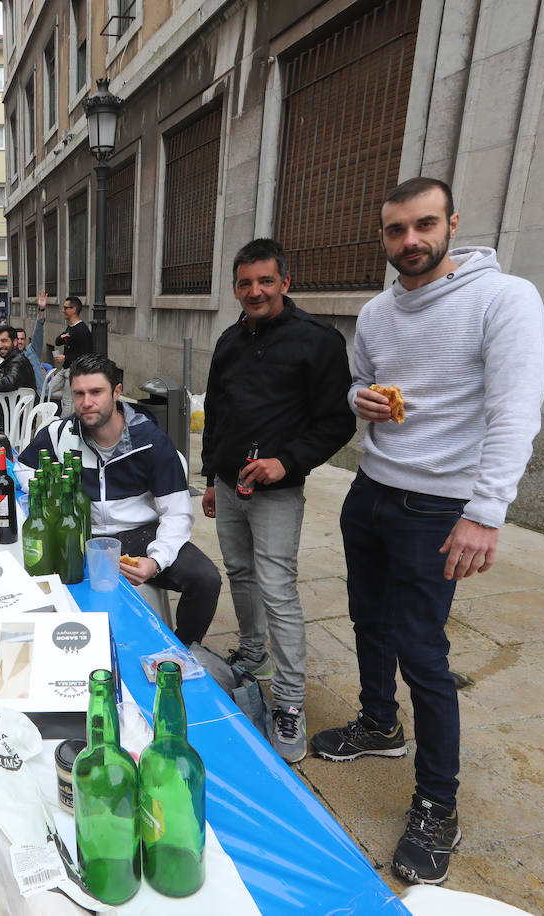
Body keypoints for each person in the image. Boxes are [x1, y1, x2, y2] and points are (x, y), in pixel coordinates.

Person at [310, 178, 544, 886]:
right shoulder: (378, 310)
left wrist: (486, 512)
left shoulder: (504, 299)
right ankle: (380, 725)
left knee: (425, 655)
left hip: (439, 511)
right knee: (366, 624)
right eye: (395, 230)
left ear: (451, 223)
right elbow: (360, 383)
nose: (410, 240)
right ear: (382, 238)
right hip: (373, 492)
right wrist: (364, 401)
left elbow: (516, 411)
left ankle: (438, 803)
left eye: (423, 225)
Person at [201, 237, 357, 764]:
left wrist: (284, 462)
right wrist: (209, 476)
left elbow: (337, 422)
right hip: (228, 485)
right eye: (245, 282)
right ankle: (253, 657)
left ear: (285, 283)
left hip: (277, 492)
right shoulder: (228, 341)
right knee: (239, 575)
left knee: (278, 589)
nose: (255, 291)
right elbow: (216, 415)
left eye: (266, 281)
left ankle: (290, 702)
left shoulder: (319, 341)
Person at [17, 355, 221, 645]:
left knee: (206, 580)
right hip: (78, 533)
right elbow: (23, 467)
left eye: (96, 392)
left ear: (116, 392)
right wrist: (55, 496)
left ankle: (182, 650)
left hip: (140, 536)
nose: (86, 402)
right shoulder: (59, 433)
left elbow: (177, 513)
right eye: (79, 393)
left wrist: (156, 560)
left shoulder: (151, 442)